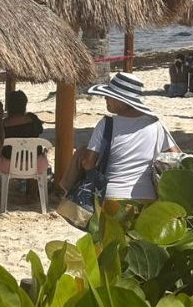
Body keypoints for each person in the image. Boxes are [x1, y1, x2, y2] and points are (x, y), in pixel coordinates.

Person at [59, 73, 180, 208]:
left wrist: (81, 156)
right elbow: (175, 156)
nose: (106, 98)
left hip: (113, 199)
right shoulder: (156, 124)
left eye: (110, 96)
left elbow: (88, 163)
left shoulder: (106, 124)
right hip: (147, 198)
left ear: (122, 100)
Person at [0, 90, 45, 158]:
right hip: (34, 159)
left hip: (9, 161)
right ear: (24, 105)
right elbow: (40, 130)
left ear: (8, 106)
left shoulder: (1, 124)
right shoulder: (32, 119)